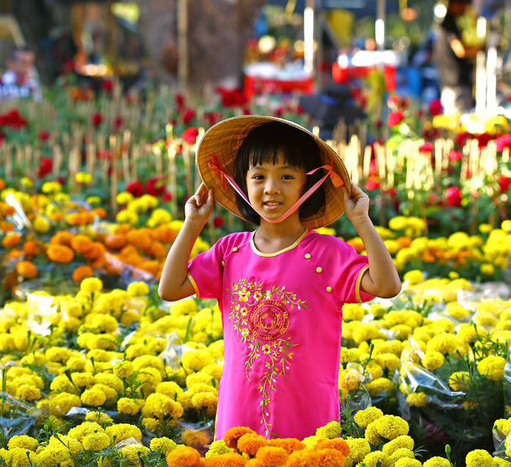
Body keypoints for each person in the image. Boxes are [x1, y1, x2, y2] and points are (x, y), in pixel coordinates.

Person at [158, 116, 401, 440]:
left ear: (309, 183)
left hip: (307, 417)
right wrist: (192, 225)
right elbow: (170, 288)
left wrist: (361, 220)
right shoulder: (229, 251)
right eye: (259, 176)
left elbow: (387, 286)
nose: (271, 188)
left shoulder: (327, 255)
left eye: (286, 176)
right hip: (237, 415)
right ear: (242, 183)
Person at [433, 0, 476, 114]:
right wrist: (479, 50)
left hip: (451, 84)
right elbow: (461, 51)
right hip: (455, 85)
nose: (465, 10)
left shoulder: (446, 24)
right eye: (464, 5)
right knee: (457, 121)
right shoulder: (449, 25)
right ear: (455, 4)